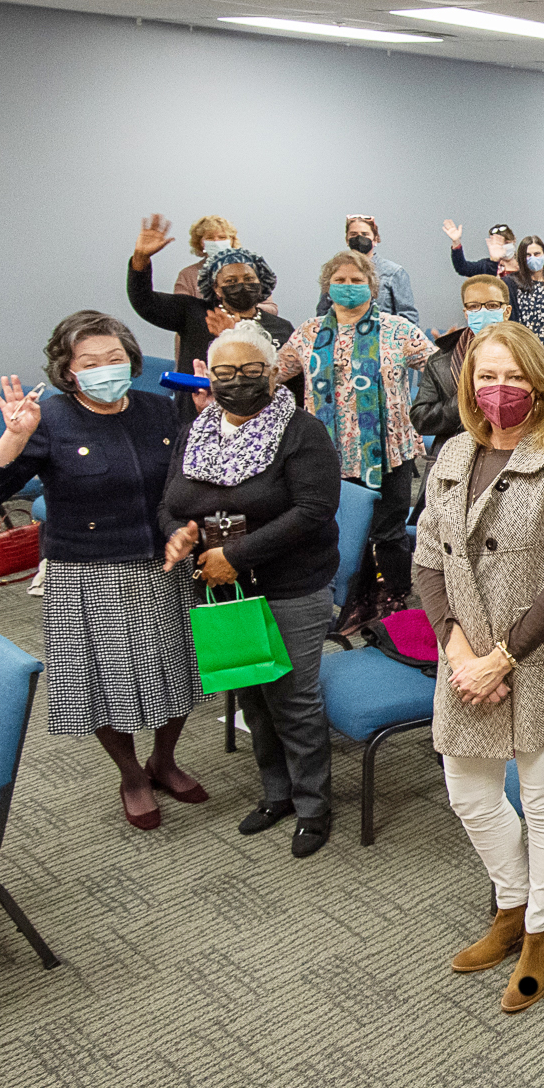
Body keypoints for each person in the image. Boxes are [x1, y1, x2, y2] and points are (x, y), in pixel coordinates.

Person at [413, 321, 544, 1016]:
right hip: (468, 655)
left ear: (540, 382)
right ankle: (513, 904)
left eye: (512, 377)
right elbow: (427, 563)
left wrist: (503, 657)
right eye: (485, 377)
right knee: (468, 793)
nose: (497, 390)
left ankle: (541, 932)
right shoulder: (451, 452)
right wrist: (459, 651)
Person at [0, 313, 204, 831]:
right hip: (89, 572)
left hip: (166, 566)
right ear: (67, 371)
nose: (106, 369)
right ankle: (130, 774)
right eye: (90, 362)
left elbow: (191, 479)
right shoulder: (48, 419)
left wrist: (210, 422)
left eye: (115, 359)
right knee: (106, 685)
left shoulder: (159, 409)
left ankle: (164, 761)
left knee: (180, 675)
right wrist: (13, 441)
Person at [159, 324, 340, 857]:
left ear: (272, 372)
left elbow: (313, 511)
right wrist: (180, 533)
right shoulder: (198, 429)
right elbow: (170, 499)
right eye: (225, 374)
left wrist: (233, 556)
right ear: (207, 378)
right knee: (252, 693)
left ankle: (313, 804)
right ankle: (276, 792)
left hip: (290, 583)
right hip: (220, 586)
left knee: (292, 698)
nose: (237, 383)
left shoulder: (301, 431)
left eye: (250, 372)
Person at [276, 249, 436, 626]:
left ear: (372, 286)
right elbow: (273, 377)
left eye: (357, 281)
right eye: (341, 281)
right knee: (341, 531)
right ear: (327, 287)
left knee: (388, 532)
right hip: (328, 453)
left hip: (389, 450)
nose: (348, 287)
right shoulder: (309, 333)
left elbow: (443, 370)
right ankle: (355, 598)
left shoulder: (398, 330)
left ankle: (395, 597)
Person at [126, 215, 295, 374]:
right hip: (197, 402)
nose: (241, 285)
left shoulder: (282, 328)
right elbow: (144, 302)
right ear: (216, 288)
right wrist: (141, 258)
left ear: (262, 283)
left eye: (249, 278)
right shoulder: (193, 313)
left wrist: (232, 333)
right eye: (230, 281)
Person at [445, 223, 544, 367]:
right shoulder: (495, 269)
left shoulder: (534, 272)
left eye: (507, 242)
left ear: (514, 242)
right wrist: (456, 243)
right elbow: (466, 270)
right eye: (528, 255)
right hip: (510, 337)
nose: (532, 258)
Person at [411, 275, 513, 456]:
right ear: (466, 313)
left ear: (506, 311)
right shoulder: (442, 360)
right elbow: (421, 419)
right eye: (474, 306)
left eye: (491, 306)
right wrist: (466, 400)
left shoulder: (529, 355)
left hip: (513, 450)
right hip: (455, 453)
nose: (482, 312)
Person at [318, 215, 416, 323]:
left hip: (381, 335)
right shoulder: (335, 269)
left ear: (375, 239)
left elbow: (407, 315)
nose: (359, 238)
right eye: (353, 234)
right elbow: (322, 312)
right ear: (347, 239)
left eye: (365, 234)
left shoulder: (393, 272)